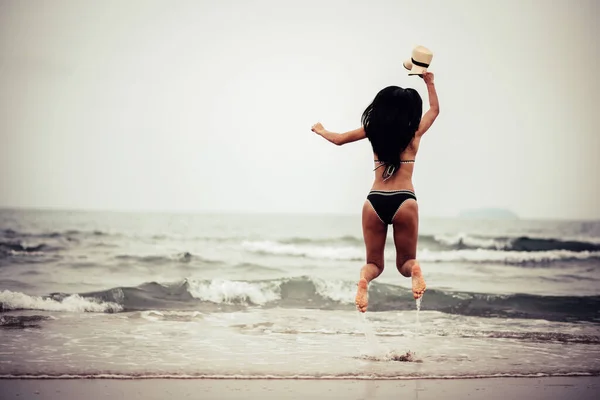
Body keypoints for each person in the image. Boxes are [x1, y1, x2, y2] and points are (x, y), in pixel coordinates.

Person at [311, 72, 439, 313]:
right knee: (404, 263)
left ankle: (363, 280)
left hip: (375, 201)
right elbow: (434, 110)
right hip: (404, 200)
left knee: (373, 264)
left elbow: (338, 139)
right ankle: (415, 271)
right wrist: (429, 82)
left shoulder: (373, 131)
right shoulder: (414, 134)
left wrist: (321, 130)